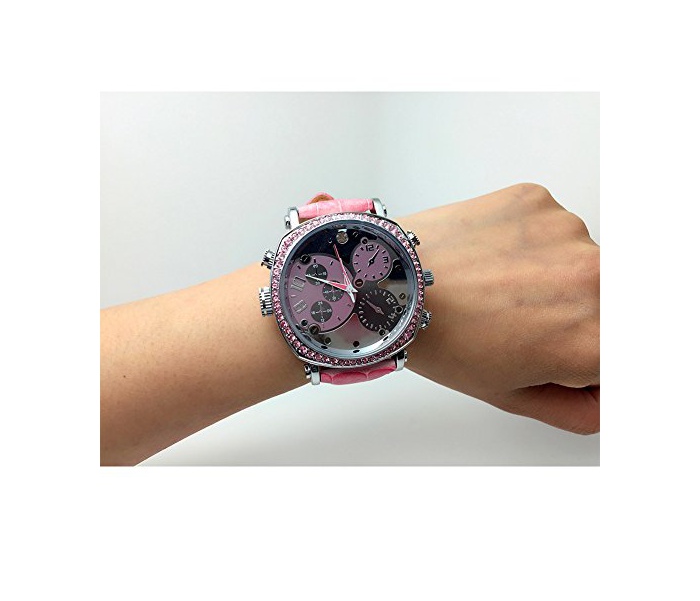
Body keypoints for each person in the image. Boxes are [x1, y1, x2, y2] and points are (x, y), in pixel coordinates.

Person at [100, 183, 600, 466]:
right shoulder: (292, 301)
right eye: (325, 284)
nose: (349, 291)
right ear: (273, 299)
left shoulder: (397, 284)